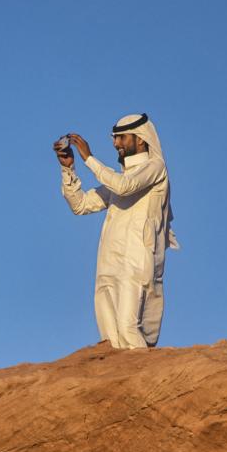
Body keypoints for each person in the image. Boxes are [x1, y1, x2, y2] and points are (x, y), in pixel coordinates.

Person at [55, 113, 179, 349]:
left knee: (128, 329)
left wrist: (89, 158)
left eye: (121, 138)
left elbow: (124, 187)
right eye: (114, 138)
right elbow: (81, 205)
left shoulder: (155, 168)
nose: (115, 144)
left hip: (137, 260)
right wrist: (69, 171)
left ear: (140, 139)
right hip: (109, 262)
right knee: (110, 338)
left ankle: (147, 381)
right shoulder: (118, 179)